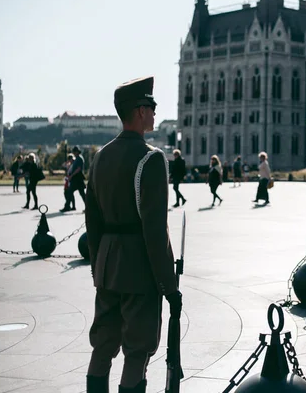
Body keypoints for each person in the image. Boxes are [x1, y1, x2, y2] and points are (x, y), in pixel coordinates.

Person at [84, 76, 181, 393]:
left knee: (102, 346)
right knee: (137, 353)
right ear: (139, 111)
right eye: (151, 106)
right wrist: (169, 284)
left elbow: (92, 221)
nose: (154, 112)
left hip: (108, 265)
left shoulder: (100, 157)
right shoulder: (151, 159)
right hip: (139, 268)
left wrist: (99, 266)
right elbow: (155, 230)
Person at [61, 146, 87, 212]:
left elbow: (78, 169)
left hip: (77, 178)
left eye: (75, 152)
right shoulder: (77, 158)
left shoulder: (79, 159)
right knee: (81, 194)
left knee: (71, 192)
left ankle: (67, 207)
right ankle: (88, 207)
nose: (74, 153)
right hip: (77, 179)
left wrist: (71, 176)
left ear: (77, 152)